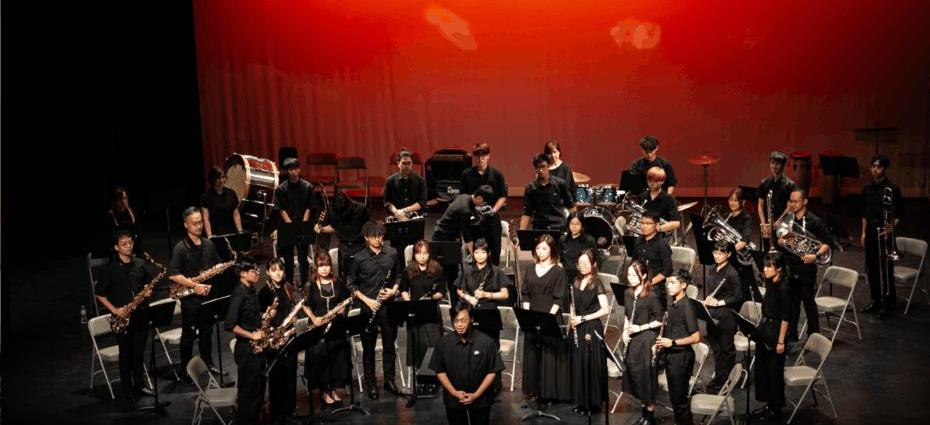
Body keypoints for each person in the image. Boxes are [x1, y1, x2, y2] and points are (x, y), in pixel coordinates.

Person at [95, 230, 157, 406]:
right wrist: (115, 310)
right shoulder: (109, 269)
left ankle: (139, 385)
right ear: (116, 247)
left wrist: (148, 291)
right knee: (126, 355)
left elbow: (147, 284)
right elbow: (100, 294)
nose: (129, 246)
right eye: (124, 244)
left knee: (138, 354)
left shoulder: (140, 263)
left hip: (140, 314)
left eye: (130, 242)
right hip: (122, 318)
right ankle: (126, 390)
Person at [346, 220, 403, 399]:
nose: (378, 239)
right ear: (366, 238)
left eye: (380, 236)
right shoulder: (359, 258)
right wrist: (367, 300)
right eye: (374, 236)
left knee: (389, 346)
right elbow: (350, 283)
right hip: (368, 308)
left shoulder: (392, 253)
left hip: (388, 307)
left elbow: (399, 275)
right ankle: (371, 384)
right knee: (368, 348)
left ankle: (389, 380)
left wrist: (393, 290)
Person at [431, 302, 505, 425]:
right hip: (453, 400)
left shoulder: (486, 342)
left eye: (463, 320)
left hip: (481, 400)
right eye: (456, 321)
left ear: (471, 319)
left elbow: (492, 371)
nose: (459, 325)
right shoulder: (444, 343)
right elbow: (439, 370)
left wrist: (476, 395)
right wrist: (454, 392)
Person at [168, 207, 222, 376]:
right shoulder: (180, 248)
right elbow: (173, 274)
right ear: (186, 225)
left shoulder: (209, 244)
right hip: (191, 299)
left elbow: (217, 263)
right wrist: (193, 285)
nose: (199, 226)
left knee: (207, 333)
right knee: (188, 336)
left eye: (200, 222)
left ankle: (208, 364)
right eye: (195, 223)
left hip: (207, 297)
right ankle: (186, 371)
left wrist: (218, 269)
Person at [520, 234, 571, 403]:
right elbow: (525, 294)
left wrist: (547, 317)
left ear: (551, 250)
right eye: (538, 248)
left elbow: (559, 297)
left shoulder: (558, 270)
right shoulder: (529, 268)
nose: (541, 252)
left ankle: (550, 393)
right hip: (532, 316)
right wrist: (528, 316)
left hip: (550, 316)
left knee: (549, 356)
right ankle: (535, 390)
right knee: (533, 353)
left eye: (545, 249)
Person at [777, 189, 830, 344]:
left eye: (796, 201)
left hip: (807, 268)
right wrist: (781, 241)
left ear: (805, 202)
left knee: (808, 303)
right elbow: (781, 237)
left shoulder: (814, 221)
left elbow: (827, 242)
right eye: (791, 201)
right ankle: (792, 335)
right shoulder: (789, 220)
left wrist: (816, 256)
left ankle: (813, 335)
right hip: (790, 266)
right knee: (792, 304)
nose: (792, 204)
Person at [302, 251, 352, 408]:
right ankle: (325, 391)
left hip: (336, 328)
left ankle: (335, 389)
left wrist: (343, 311)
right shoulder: (310, 285)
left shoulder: (339, 282)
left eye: (327, 265)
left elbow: (346, 301)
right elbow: (304, 305)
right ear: (316, 267)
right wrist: (315, 319)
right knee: (321, 357)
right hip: (318, 330)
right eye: (321, 266)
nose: (324, 269)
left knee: (338, 358)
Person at [432, 185, 496, 303]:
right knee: (449, 272)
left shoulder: (465, 197)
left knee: (454, 271)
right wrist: (477, 257)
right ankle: (452, 303)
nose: (482, 206)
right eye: (483, 203)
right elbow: (468, 239)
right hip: (442, 238)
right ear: (480, 199)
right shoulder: (465, 209)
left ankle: (454, 299)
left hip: (451, 236)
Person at [567, 249, 610, 415]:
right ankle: (581, 401)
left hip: (591, 327)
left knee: (590, 364)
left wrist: (583, 318)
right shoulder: (576, 281)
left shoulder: (597, 283)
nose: (583, 266)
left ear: (594, 265)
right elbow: (572, 304)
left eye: (586, 263)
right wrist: (572, 318)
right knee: (579, 364)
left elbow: (605, 310)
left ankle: (593, 403)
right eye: (580, 263)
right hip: (577, 326)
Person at [655, 270, 701, 425]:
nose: (668, 285)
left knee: (680, 401)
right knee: (674, 398)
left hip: (681, 358)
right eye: (668, 282)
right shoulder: (672, 302)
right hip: (671, 355)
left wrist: (673, 343)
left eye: (673, 282)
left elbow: (696, 337)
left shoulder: (687, 306)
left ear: (683, 285)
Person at [224, 256, 266, 425]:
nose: (257, 272)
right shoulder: (239, 294)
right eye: (253, 270)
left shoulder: (251, 289)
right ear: (242, 274)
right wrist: (252, 335)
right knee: (248, 394)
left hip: (256, 348)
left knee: (258, 391)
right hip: (246, 350)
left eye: (257, 269)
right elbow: (229, 325)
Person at [622, 260, 664, 425]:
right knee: (636, 377)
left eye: (634, 275)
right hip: (633, 339)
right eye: (629, 274)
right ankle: (643, 414)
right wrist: (625, 332)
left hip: (647, 339)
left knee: (646, 379)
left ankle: (650, 417)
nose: (630, 278)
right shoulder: (628, 293)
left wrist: (640, 327)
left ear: (644, 275)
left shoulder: (651, 295)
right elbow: (627, 315)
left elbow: (660, 321)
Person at [860, 154, 903, 317]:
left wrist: (890, 227)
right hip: (871, 232)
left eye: (878, 166)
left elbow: (899, 214)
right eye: (873, 166)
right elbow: (864, 213)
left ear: (884, 168)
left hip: (885, 234)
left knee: (886, 270)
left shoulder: (893, 189)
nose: (875, 169)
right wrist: (863, 232)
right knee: (872, 269)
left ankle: (888, 302)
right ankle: (875, 300)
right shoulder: (867, 189)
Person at [752, 252, 792, 421]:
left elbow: (785, 317)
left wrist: (781, 341)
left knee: (774, 372)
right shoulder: (770, 282)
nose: (765, 269)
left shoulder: (784, 287)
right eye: (765, 265)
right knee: (763, 370)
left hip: (777, 331)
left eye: (769, 266)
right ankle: (768, 404)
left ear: (779, 269)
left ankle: (776, 409)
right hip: (766, 328)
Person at [259, 258, 299, 423]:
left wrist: (294, 319)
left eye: (280, 270)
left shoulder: (287, 286)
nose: (278, 273)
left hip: (289, 337)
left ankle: (290, 411)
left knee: (290, 376)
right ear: (268, 272)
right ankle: (277, 414)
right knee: (277, 379)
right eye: (274, 270)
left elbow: (291, 308)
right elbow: (261, 320)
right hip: (274, 340)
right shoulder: (264, 293)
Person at [400, 240, 445, 375]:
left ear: (429, 254)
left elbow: (442, 291)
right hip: (415, 311)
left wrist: (431, 297)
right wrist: (409, 304)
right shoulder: (408, 270)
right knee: (416, 346)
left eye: (425, 253)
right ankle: (416, 375)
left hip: (431, 311)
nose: (422, 256)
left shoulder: (437, 269)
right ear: (414, 255)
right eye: (419, 253)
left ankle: (434, 376)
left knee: (435, 345)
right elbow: (403, 289)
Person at [454, 238, 512, 341]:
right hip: (471, 311)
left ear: (489, 253)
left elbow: (505, 294)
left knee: (490, 345)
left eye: (483, 252)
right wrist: (468, 297)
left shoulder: (496, 271)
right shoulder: (467, 270)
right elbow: (459, 290)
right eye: (476, 252)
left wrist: (486, 294)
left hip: (489, 312)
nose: (479, 255)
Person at [274, 157, 322, 283]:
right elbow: (281, 209)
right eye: (290, 169)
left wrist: (303, 224)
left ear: (299, 169)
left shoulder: (308, 187)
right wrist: (290, 225)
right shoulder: (281, 189)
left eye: (295, 169)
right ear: (287, 171)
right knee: (288, 259)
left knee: (303, 257)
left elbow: (309, 206)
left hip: (303, 223)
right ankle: (289, 284)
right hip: (287, 224)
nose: (293, 172)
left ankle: (304, 283)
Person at [460, 142, 508, 265]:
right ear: (474, 157)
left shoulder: (497, 174)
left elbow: (502, 196)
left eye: (483, 156)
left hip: (491, 220)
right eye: (477, 156)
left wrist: (493, 210)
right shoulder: (466, 174)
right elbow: (463, 197)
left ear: (488, 156)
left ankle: (493, 281)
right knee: (474, 255)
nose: (480, 159)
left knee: (495, 255)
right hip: (473, 220)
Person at [703, 241, 742, 392]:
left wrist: (719, 302)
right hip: (712, 314)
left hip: (726, 315)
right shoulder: (712, 269)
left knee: (726, 349)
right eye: (715, 252)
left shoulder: (732, 273)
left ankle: (727, 380)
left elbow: (738, 296)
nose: (717, 256)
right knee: (716, 348)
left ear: (729, 254)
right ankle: (719, 376)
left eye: (721, 253)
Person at [383, 149, 428, 265]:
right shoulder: (390, 181)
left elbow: (422, 202)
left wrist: (405, 211)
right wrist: (397, 212)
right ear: (398, 164)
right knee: (398, 253)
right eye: (404, 163)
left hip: (414, 220)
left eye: (409, 163)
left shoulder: (420, 181)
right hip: (398, 220)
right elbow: (387, 202)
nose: (407, 166)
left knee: (416, 252)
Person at [316, 191, 370, 282]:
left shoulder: (362, 209)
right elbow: (334, 227)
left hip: (359, 245)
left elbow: (368, 227)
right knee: (344, 276)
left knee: (362, 274)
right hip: (343, 246)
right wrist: (321, 229)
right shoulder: (334, 210)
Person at [723, 187, 760, 303]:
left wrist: (727, 252)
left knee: (747, 290)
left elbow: (744, 240)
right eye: (730, 200)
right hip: (729, 257)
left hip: (741, 260)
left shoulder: (746, 218)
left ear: (742, 202)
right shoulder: (727, 217)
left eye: (735, 200)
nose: (732, 203)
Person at [520, 153, 575, 232]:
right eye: (537, 168)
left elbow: (571, 207)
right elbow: (527, 213)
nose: (541, 170)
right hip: (539, 227)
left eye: (543, 166)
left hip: (558, 227)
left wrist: (574, 229)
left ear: (549, 166)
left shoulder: (560, 184)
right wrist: (521, 235)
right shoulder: (531, 187)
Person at [757, 151, 796, 252]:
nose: (774, 166)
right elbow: (760, 206)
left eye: (778, 163)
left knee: (781, 253)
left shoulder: (790, 185)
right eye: (772, 163)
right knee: (766, 253)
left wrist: (774, 225)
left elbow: (789, 208)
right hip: (767, 225)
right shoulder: (764, 183)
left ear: (783, 165)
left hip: (782, 224)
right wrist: (764, 224)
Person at [632, 212, 673, 305]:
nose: (644, 226)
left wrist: (648, 283)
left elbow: (668, 270)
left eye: (648, 224)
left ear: (657, 225)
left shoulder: (662, 244)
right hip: (638, 282)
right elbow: (633, 262)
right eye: (642, 223)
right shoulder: (638, 240)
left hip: (655, 286)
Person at [200, 166, 243, 238]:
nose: (221, 180)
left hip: (230, 231)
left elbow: (236, 214)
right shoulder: (206, 196)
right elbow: (206, 218)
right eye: (218, 178)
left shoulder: (231, 193)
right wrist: (210, 236)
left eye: (223, 177)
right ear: (212, 179)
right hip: (215, 233)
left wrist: (240, 232)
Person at [638, 167, 681, 234]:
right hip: (643, 232)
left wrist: (657, 229)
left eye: (655, 181)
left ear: (662, 181)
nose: (652, 183)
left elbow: (676, 223)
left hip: (659, 234)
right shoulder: (642, 196)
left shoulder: (669, 199)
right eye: (649, 180)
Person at [104, 187, 143, 255]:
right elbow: (109, 237)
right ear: (115, 200)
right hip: (117, 252)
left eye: (125, 198)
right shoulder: (110, 216)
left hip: (134, 250)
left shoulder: (133, 214)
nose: (123, 201)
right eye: (120, 199)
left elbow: (139, 234)